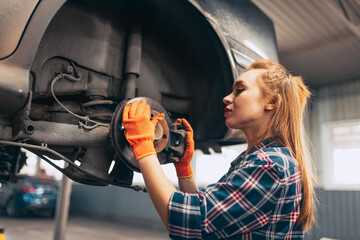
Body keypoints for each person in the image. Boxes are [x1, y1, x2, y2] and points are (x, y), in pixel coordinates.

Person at [122, 59, 316, 239]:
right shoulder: (259, 158)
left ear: (272, 102)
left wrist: (144, 147)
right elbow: (211, 224)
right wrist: (184, 170)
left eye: (239, 90)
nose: (226, 98)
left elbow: (184, 221)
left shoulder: (269, 164)